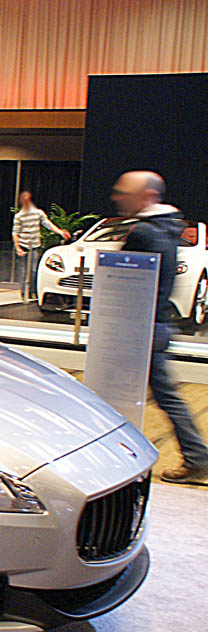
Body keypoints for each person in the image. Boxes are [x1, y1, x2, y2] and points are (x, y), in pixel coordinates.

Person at [113, 170, 208, 484]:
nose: (117, 197)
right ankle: (195, 456)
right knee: (163, 394)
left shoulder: (144, 232)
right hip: (157, 325)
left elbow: (123, 278)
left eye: (124, 192)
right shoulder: (169, 228)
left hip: (138, 327)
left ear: (147, 196)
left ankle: (196, 457)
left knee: (135, 393)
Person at [12, 191, 69, 301]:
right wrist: (18, 247)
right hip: (23, 245)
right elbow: (15, 232)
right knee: (23, 271)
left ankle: (32, 291)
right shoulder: (19, 216)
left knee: (33, 270)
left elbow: (48, 224)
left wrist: (60, 232)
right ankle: (24, 293)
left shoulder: (38, 213)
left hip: (34, 245)